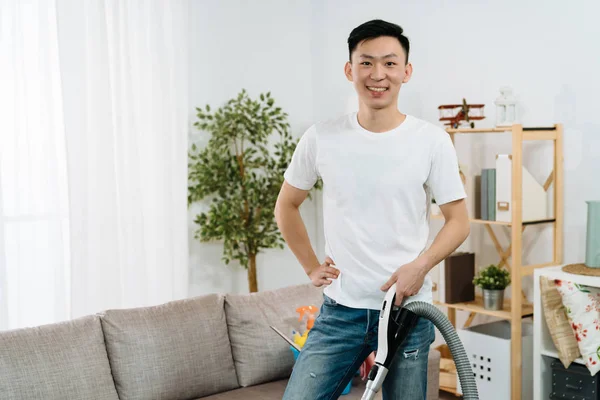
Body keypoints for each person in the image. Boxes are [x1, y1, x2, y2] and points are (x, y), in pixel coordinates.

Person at [274, 19, 470, 400]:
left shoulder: (431, 141)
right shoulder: (322, 137)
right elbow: (287, 205)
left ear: (406, 71)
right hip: (341, 312)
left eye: (390, 63)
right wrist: (311, 266)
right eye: (366, 63)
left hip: (408, 311)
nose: (378, 74)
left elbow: (459, 221)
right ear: (350, 70)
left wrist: (420, 265)